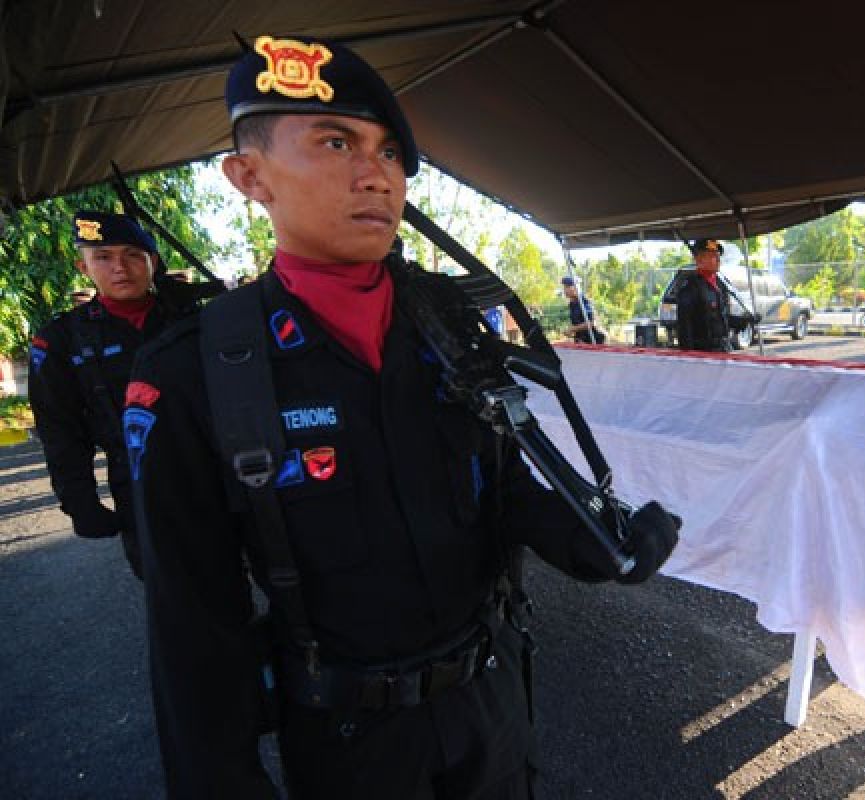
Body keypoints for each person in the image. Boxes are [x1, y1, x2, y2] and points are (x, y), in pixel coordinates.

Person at [127, 35, 679, 799]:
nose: (376, 176)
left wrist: (592, 544)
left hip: (490, 703)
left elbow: (502, 484)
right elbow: (192, 626)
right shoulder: (194, 372)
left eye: (390, 155)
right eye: (334, 141)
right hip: (351, 745)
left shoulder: (447, 324)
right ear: (249, 176)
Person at [27, 211, 180, 578]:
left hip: (213, 469)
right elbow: (59, 427)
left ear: (153, 262)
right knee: (166, 589)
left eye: (132, 255)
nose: (120, 268)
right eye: (103, 257)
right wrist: (78, 499)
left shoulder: (190, 319)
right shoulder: (62, 340)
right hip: (136, 480)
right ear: (84, 267)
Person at [674, 237, 734, 352]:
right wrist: (689, 356)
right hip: (703, 352)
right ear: (699, 260)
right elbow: (684, 328)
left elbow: (721, 317)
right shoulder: (691, 287)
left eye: (718, 256)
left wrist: (742, 321)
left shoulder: (720, 285)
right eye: (712, 256)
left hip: (722, 349)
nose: (717, 259)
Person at [561, 275, 605, 344]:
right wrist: (570, 331)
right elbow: (578, 323)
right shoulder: (572, 304)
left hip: (595, 340)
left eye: (567, 287)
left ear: (576, 288)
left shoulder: (584, 302)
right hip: (582, 341)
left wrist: (573, 329)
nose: (565, 290)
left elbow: (592, 322)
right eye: (564, 287)